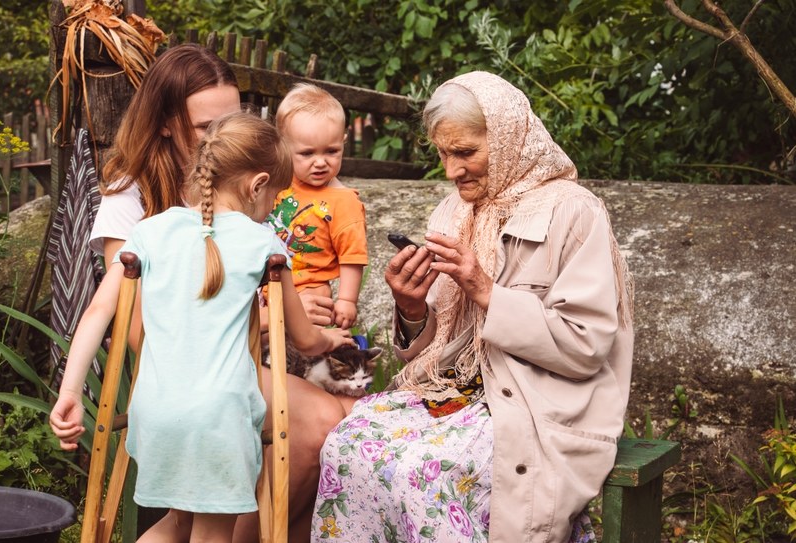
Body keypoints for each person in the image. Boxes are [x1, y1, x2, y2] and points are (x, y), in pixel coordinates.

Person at [309, 71, 634, 542]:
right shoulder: (452, 211)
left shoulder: (573, 211)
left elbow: (585, 347)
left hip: (536, 403)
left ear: (507, 139)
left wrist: (485, 290)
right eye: (443, 154)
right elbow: (434, 348)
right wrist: (412, 307)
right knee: (346, 446)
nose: (451, 171)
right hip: (458, 394)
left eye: (465, 153)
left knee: (424, 470)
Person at [86, 44, 354, 542]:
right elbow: (138, 328)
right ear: (166, 122)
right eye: (208, 128)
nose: (224, 137)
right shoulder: (131, 195)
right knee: (319, 421)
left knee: (346, 419)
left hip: (242, 354)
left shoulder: (239, 185)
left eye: (231, 122)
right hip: (183, 365)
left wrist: (279, 303)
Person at [265, 83, 368, 330]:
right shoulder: (277, 181)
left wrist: (346, 300)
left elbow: (352, 256)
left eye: (331, 151)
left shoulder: (343, 201)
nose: (320, 162)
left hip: (312, 290)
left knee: (305, 352)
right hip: (268, 285)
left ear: (343, 142)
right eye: (307, 153)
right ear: (284, 147)